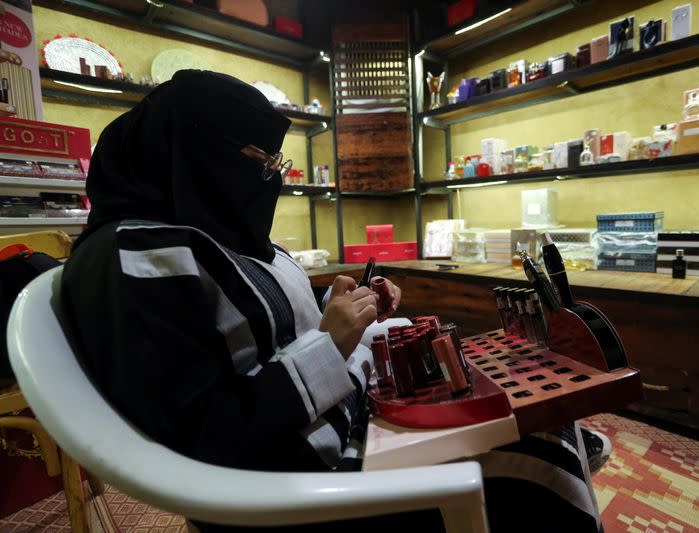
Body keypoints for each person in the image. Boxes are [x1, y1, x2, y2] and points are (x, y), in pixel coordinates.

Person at [62, 70, 605, 532]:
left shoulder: (213, 231)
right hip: (301, 488)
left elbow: (260, 324)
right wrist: (332, 339)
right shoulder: (136, 257)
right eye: (261, 161)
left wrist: (344, 303)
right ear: (194, 152)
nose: (271, 177)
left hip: (341, 419)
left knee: (529, 415)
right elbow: (206, 436)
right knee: (538, 459)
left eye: (277, 163)